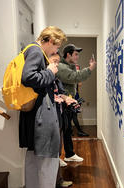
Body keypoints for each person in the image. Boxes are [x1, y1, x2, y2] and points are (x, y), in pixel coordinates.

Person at [19, 26, 66, 188]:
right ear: (51, 41)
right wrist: (50, 72)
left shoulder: (30, 49)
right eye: (56, 47)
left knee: (33, 160)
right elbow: (28, 77)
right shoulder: (37, 51)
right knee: (48, 163)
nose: (55, 51)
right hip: (41, 118)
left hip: (35, 116)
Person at [56, 43, 97, 162]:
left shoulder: (69, 66)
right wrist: (90, 68)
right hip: (62, 103)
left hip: (68, 103)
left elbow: (75, 78)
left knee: (67, 129)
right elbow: (74, 77)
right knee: (61, 130)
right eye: (75, 54)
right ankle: (57, 158)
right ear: (68, 54)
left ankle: (69, 154)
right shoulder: (62, 67)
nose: (77, 57)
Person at [48, 53, 74, 187]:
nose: (57, 64)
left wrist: (66, 98)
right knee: (52, 155)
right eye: (55, 61)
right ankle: (54, 182)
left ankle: (58, 181)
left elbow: (60, 94)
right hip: (50, 121)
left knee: (57, 152)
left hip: (59, 119)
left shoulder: (56, 78)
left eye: (58, 62)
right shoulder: (45, 78)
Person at [72, 63, 89, 137]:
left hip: (76, 96)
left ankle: (70, 131)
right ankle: (79, 131)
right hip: (71, 97)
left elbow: (79, 85)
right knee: (73, 115)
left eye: (78, 68)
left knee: (72, 115)